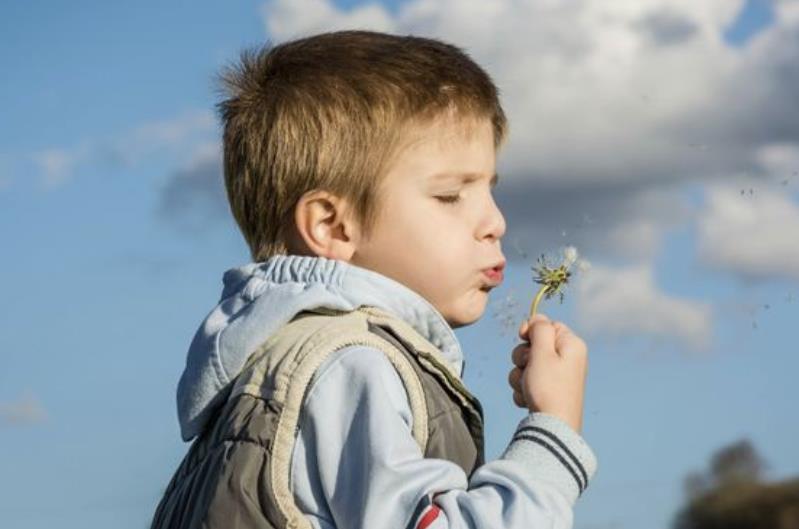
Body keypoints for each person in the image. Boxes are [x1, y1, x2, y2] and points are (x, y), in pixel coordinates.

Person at [150, 29, 597, 529]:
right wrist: (552, 431)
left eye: (489, 189)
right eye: (451, 195)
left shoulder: (274, 371)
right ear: (332, 226)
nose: (496, 222)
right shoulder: (348, 365)